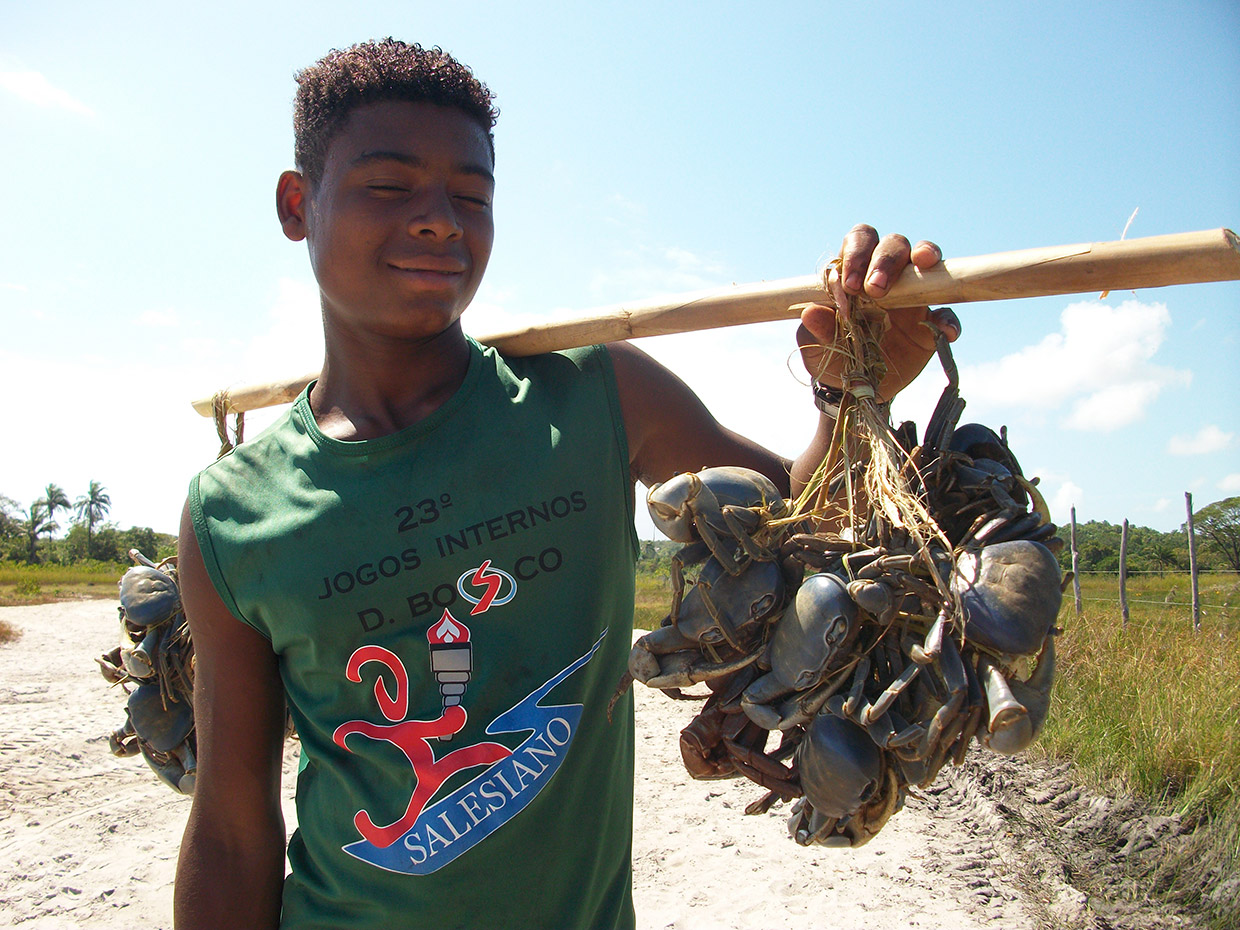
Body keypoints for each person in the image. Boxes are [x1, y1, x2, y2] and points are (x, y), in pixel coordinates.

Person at [173, 39, 959, 930]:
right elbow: (233, 832)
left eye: (471, 195)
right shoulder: (235, 515)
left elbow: (803, 533)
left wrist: (854, 389)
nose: (440, 220)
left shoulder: (596, 397)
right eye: (390, 186)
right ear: (296, 204)